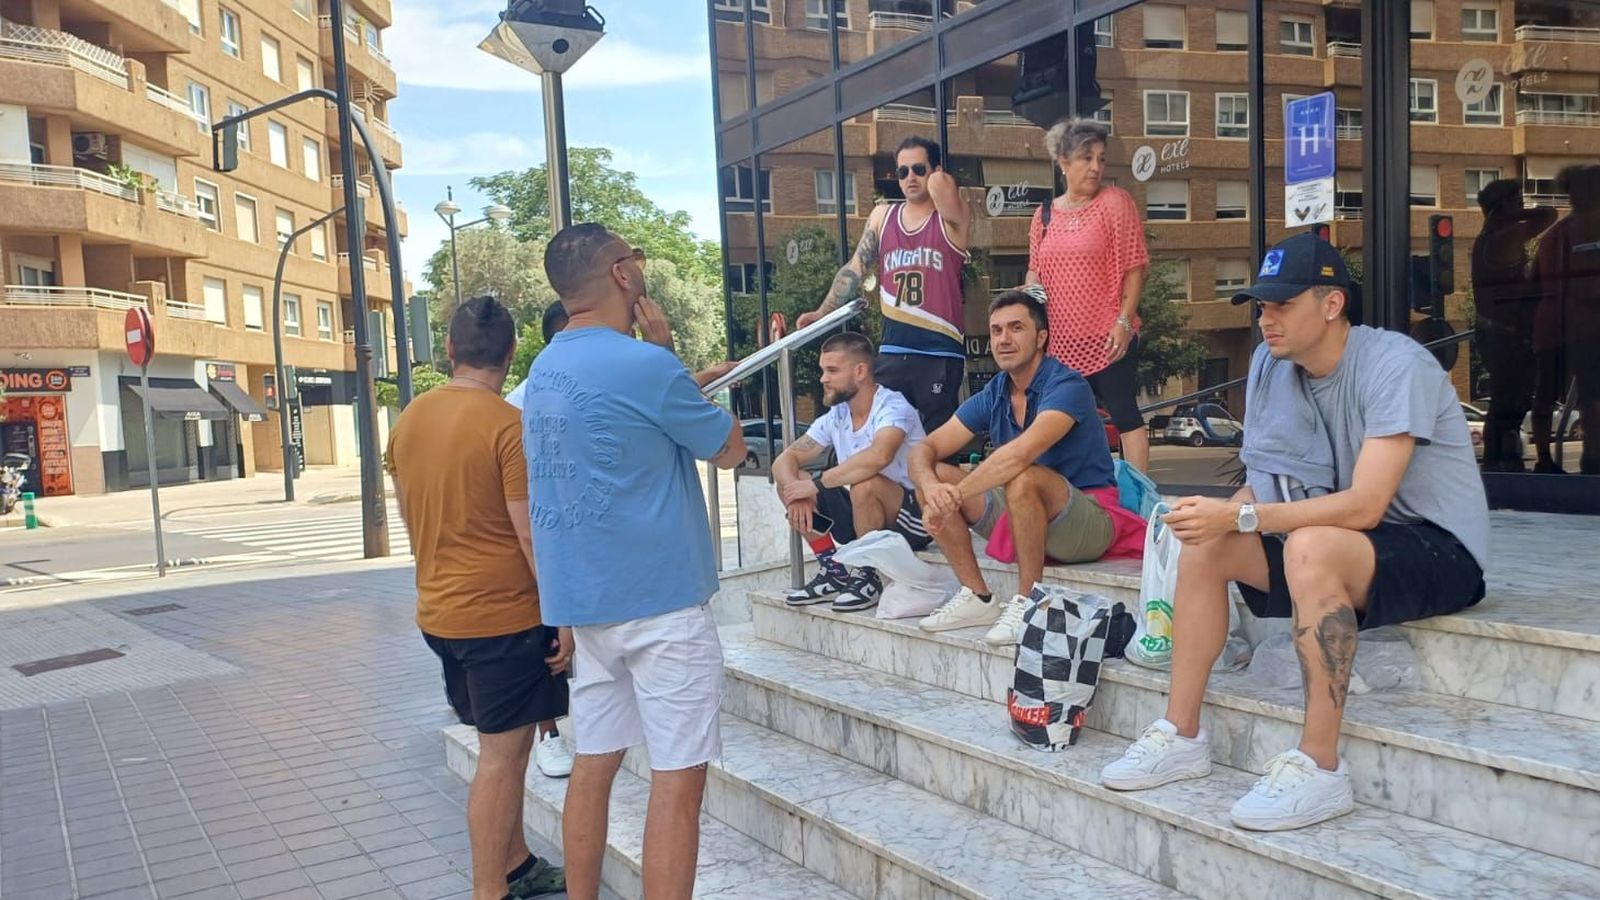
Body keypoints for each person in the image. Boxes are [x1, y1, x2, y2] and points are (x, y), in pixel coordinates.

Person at [1100, 233, 1489, 832]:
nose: (1265, 320)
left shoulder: (1395, 364)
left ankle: (1321, 767)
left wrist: (1244, 518)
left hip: (1434, 547)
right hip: (1342, 545)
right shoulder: (1274, 369)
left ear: (1331, 305)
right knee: (1204, 540)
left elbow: (1365, 505)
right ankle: (1181, 733)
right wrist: (1218, 516)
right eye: (1261, 307)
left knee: (1306, 546)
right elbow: (1265, 486)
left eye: (1281, 305)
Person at [525, 223, 746, 900]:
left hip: (588, 605)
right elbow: (730, 448)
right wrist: (668, 355)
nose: (642, 271)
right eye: (637, 260)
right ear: (622, 274)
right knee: (677, 784)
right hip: (663, 604)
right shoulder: (647, 364)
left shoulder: (543, 370)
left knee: (593, 766)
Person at [385, 295, 568, 900]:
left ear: (450, 350)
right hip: (502, 617)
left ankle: (515, 864)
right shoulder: (506, 427)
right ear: (513, 355)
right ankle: (490, 889)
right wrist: (562, 616)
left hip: (439, 613)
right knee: (502, 755)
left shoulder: (409, 419)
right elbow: (528, 533)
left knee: (505, 753)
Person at [907, 289, 1120, 647]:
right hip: (1025, 514)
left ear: (1041, 337)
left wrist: (954, 496)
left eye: (1016, 328)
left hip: (1088, 519)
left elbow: (1020, 455)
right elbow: (923, 448)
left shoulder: (1068, 385)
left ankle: (1029, 603)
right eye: (996, 330)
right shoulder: (996, 391)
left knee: (1021, 477)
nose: (1004, 339)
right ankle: (978, 596)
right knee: (935, 475)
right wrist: (932, 488)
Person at [795, 136, 973, 431]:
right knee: (885, 439)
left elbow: (946, 191)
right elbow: (855, 268)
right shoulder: (882, 216)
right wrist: (822, 312)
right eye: (902, 172)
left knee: (935, 446)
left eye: (918, 169)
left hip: (939, 351)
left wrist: (938, 174)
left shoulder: (951, 219)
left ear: (935, 171)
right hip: (893, 349)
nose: (910, 178)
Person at [1024, 118, 1152, 470]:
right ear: (1063, 161)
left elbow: (1134, 266)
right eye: (1086, 158)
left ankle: (1141, 501)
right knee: (1059, 423)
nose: (1096, 167)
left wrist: (1124, 322)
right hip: (1061, 345)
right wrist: (1029, 292)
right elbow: (1036, 269)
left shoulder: (1114, 202)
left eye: (1101, 158)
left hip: (1108, 337)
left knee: (1125, 416)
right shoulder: (1044, 215)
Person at [772, 332, 930, 612]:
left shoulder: (893, 406)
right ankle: (833, 570)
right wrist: (797, 494)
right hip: (865, 514)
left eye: (832, 370)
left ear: (860, 371)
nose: (823, 378)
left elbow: (879, 456)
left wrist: (816, 486)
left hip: (913, 517)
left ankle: (868, 576)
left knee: (864, 482)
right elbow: (785, 459)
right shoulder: (838, 414)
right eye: (823, 371)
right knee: (793, 481)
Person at [1470, 180, 1553, 472]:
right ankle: (1500, 463)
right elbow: (1548, 215)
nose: (1523, 208)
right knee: (1509, 402)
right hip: (1504, 334)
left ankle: (1504, 461)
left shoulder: (1487, 239)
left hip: (1500, 332)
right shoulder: (1501, 237)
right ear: (1504, 206)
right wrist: (1508, 216)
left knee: (1510, 401)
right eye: (1517, 202)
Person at [1534, 164, 1600, 474]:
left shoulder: (1556, 235)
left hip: (1567, 328)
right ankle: (1592, 459)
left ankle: (1585, 457)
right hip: (1579, 328)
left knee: (1583, 397)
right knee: (1588, 397)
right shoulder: (1566, 234)